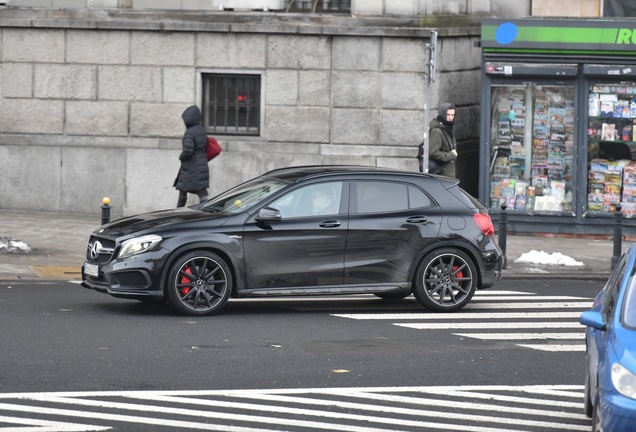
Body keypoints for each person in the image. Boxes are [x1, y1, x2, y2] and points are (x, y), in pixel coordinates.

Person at [174, 105, 210, 207]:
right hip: (201, 165)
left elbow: (188, 150)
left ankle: (178, 212)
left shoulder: (189, 133)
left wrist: (181, 157)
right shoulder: (201, 130)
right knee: (202, 192)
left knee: (182, 192)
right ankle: (206, 211)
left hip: (191, 167)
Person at [428, 102, 458, 178]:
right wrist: (451, 155)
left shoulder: (448, 128)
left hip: (447, 174)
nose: (451, 117)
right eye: (448, 115)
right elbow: (433, 152)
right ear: (442, 114)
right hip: (441, 175)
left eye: (452, 115)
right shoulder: (437, 131)